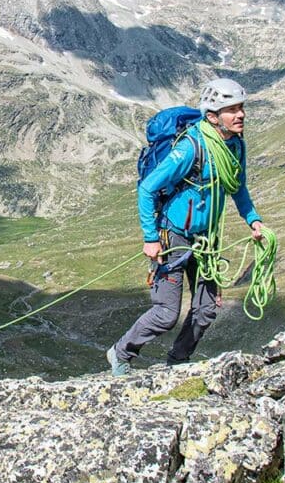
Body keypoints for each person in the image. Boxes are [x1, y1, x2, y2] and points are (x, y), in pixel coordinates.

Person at [107, 78, 264, 374]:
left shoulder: (235, 146)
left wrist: (253, 220)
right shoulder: (191, 147)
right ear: (212, 115)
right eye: (231, 109)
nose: (240, 115)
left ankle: (178, 362)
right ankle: (121, 353)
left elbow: (238, 187)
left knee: (206, 310)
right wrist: (151, 238)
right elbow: (148, 189)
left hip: (206, 238)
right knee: (167, 313)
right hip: (174, 235)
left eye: (241, 108)